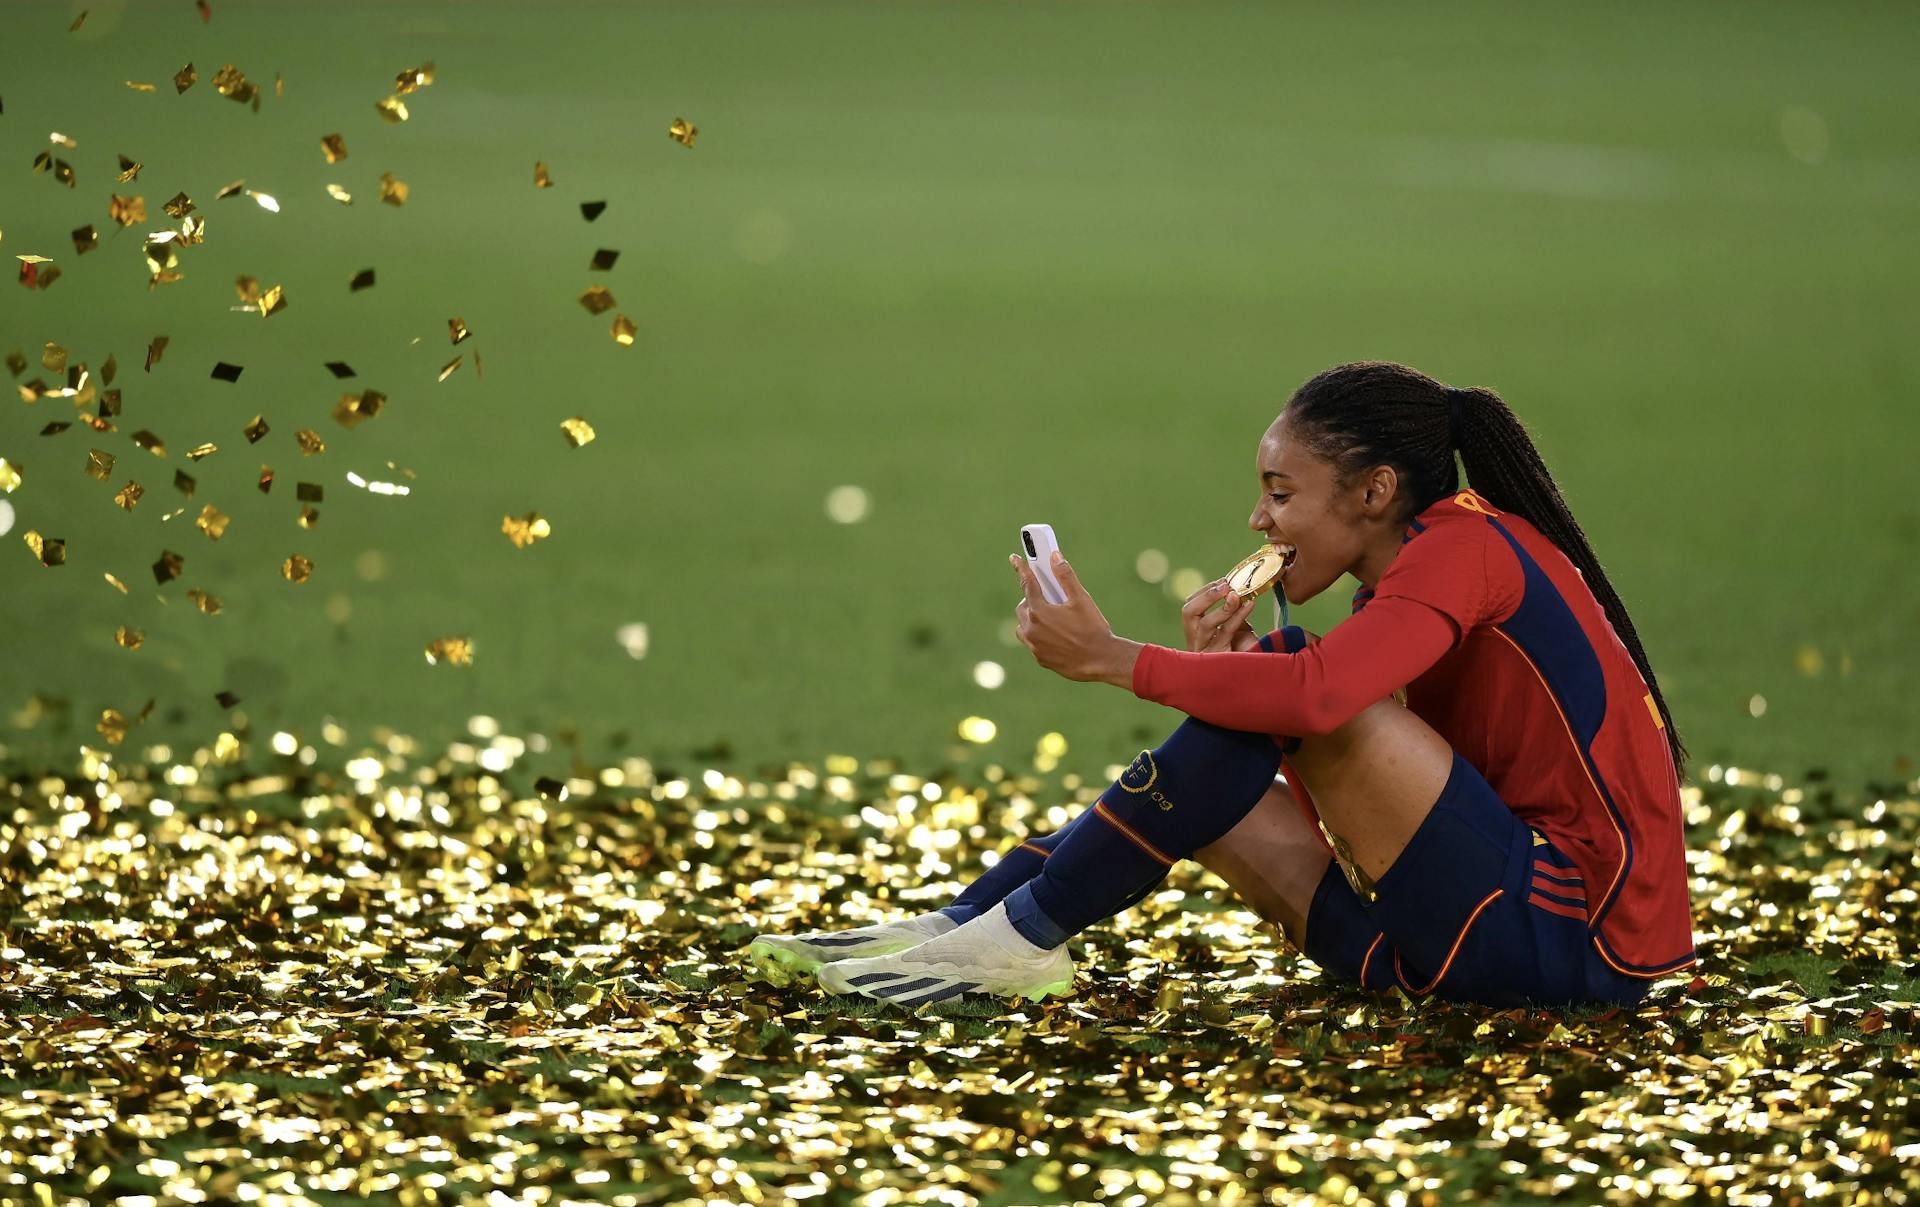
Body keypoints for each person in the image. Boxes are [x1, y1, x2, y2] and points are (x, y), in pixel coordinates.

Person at [745, 361, 1694, 1009]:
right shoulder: (1408, 584)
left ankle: (1015, 934)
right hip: (1456, 941)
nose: (1257, 517)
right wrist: (1228, 678)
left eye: (1281, 492)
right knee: (1224, 774)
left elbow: (1319, 700)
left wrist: (1118, 658)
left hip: (1570, 945)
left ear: (1373, 492)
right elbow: (1346, 778)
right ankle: (974, 921)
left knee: (1284, 682)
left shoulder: (1466, 549)